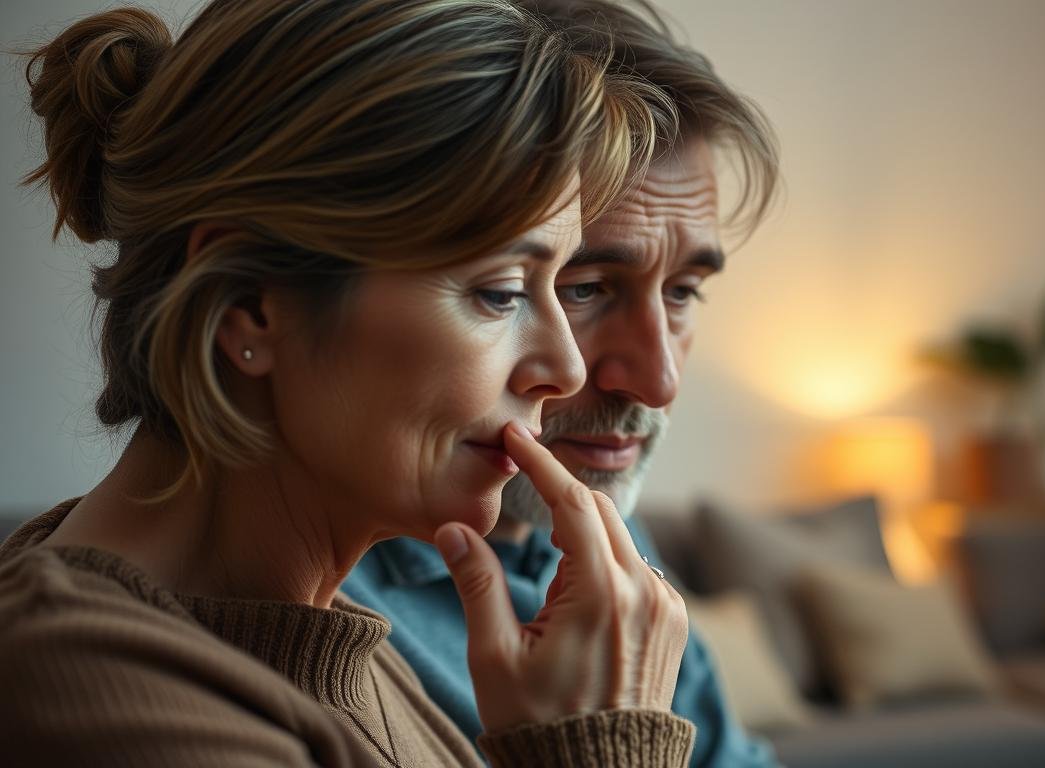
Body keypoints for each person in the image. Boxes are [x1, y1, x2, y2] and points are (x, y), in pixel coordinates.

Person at [0, 1, 697, 765]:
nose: (565, 369)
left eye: (562, 284)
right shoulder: (89, 696)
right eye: (500, 292)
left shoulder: (333, 646)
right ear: (251, 309)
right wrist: (599, 747)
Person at [342, 2, 782, 766]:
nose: (657, 381)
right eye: (584, 287)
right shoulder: (318, 622)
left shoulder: (600, 529)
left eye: (682, 292)